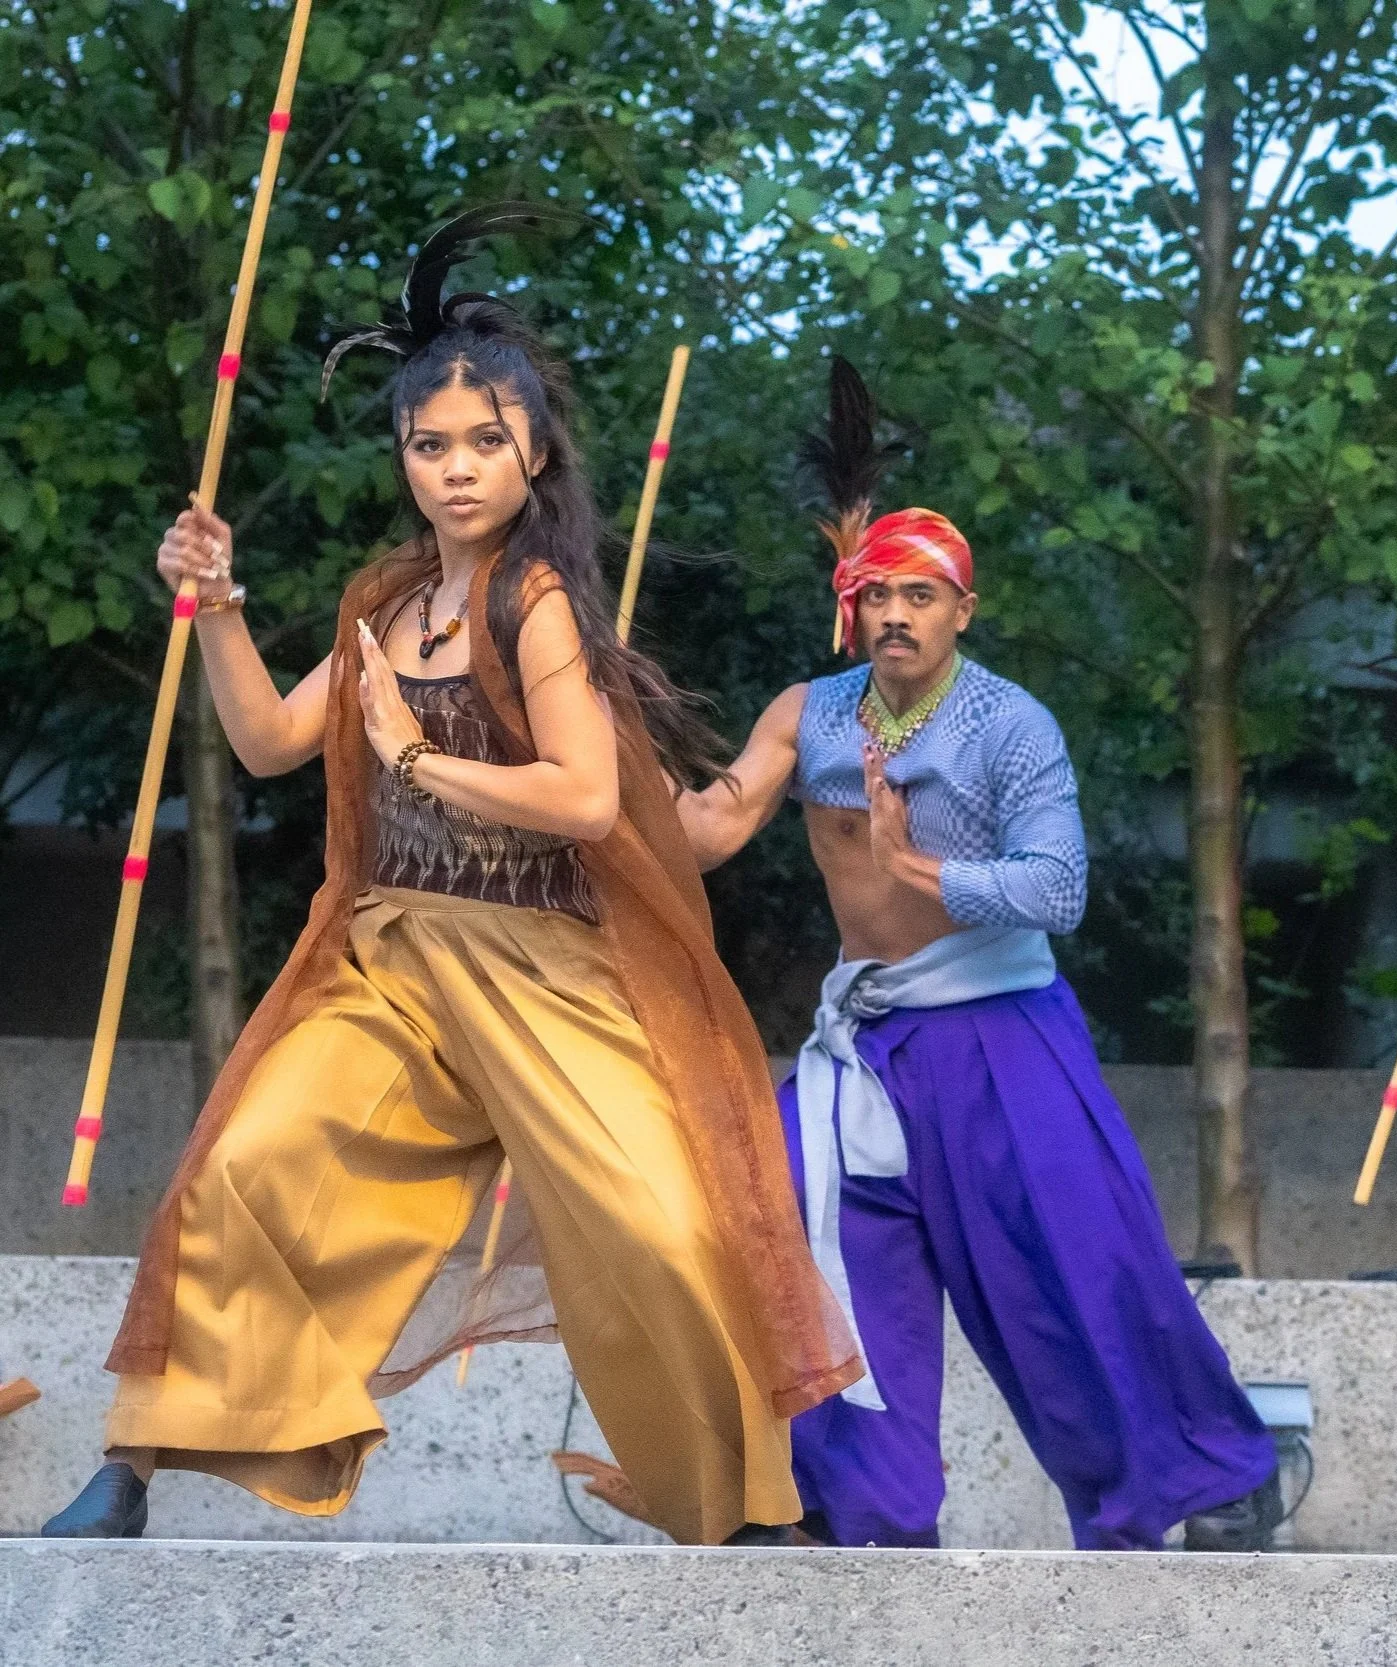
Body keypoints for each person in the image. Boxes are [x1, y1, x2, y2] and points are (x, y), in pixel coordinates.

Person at [39, 210, 859, 1546]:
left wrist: (418, 761)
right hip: (397, 960)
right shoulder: (385, 601)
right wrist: (220, 605)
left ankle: (746, 1507)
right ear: (404, 459)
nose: (458, 466)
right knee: (242, 1160)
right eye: (432, 444)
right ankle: (137, 1459)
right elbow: (265, 742)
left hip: (549, 966)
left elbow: (587, 796)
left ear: (532, 452)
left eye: (485, 440)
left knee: (659, 1225)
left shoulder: (533, 602)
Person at [669, 361, 1281, 1551]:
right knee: (780, 1232)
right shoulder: (808, 711)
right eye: (877, 594)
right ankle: (855, 1501)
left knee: (1072, 1270)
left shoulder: (1011, 726)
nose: (896, 614)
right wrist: (621, 799)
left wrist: (923, 872)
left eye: (921, 595)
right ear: (850, 606)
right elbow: (711, 827)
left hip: (1001, 1033)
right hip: (867, 1047)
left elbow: (1059, 888)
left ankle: (1206, 1477)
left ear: (963, 609)